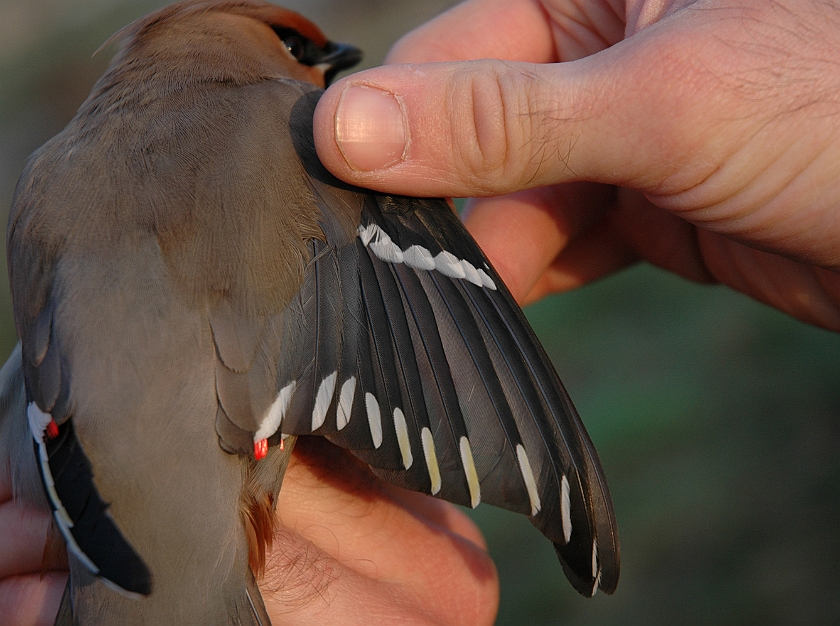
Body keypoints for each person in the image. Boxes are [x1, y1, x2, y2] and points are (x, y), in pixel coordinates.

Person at [3, 0, 839, 623]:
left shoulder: (48, 176)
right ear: (266, 50)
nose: (321, 68)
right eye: (304, 52)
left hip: (68, 469)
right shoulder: (299, 129)